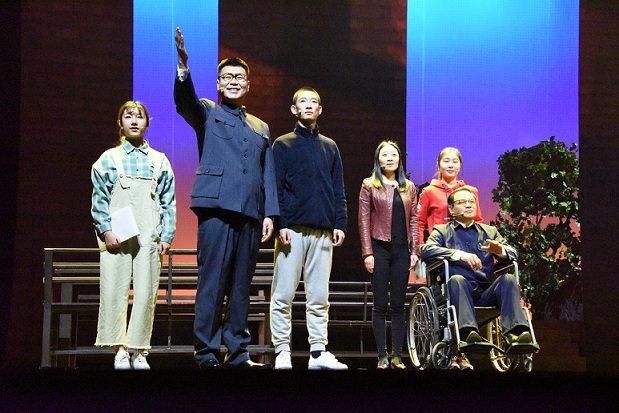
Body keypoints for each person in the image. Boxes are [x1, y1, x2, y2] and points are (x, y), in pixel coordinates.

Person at [174, 28, 279, 369]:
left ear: (248, 85)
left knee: (240, 286)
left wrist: (270, 213)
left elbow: (267, 173)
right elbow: (185, 103)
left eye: (239, 78)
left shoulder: (261, 126)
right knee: (212, 282)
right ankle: (206, 352)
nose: (233, 81)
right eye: (227, 77)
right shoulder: (208, 112)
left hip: (250, 212)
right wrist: (183, 67)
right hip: (217, 208)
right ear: (218, 84)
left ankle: (237, 352)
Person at [91, 101, 176, 370]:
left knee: (146, 290)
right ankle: (119, 348)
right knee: (114, 287)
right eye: (128, 117)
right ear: (121, 123)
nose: (134, 121)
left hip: (149, 233)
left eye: (140, 117)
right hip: (117, 234)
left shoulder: (159, 160)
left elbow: (168, 201)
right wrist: (106, 230)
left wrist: (166, 235)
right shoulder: (109, 159)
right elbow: (99, 199)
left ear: (147, 123)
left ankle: (139, 350)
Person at [270, 86, 348, 370]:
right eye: (302, 101)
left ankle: (317, 352)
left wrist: (340, 223)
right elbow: (276, 188)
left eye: (313, 101)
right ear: (294, 109)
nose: (308, 105)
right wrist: (281, 223)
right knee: (283, 294)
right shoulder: (283, 144)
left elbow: (337, 189)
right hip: (292, 230)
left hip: (323, 231)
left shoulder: (330, 146)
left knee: (319, 296)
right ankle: (282, 350)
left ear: (320, 109)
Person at [420, 187, 536, 365]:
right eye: (462, 202)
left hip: (485, 292)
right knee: (457, 279)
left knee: (508, 279)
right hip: (458, 292)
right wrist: (459, 254)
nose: (468, 205)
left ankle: (515, 334)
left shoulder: (490, 232)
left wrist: (501, 251)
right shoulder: (442, 231)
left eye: (472, 201)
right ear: (451, 209)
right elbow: (427, 250)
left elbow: (514, 253)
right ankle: (469, 334)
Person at [358, 140, 420, 369]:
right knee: (381, 303)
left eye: (394, 154)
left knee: (398, 304)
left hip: (402, 250)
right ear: (378, 159)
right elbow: (363, 220)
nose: (390, 158)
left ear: (399, 159)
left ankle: (397, 356)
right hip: (379, 249)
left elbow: (414, 220)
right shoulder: (369, 185)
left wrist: (415, 250)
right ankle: (382, 356)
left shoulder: (409, 187)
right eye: (385, 155)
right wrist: (367, 252)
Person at [417, 147, 483, 244]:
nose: (450, 165)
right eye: (446, 161)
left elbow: (477, 221)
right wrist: (420, 247)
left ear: (460, 165)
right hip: (439, 246)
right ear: (438, 165)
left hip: (467, 246)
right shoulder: (429, 192)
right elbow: (419, 222)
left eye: (455, 162)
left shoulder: (470, 191)